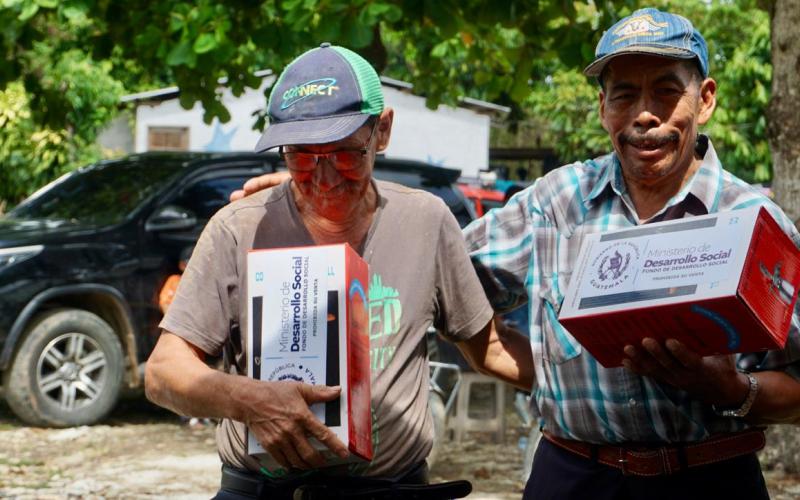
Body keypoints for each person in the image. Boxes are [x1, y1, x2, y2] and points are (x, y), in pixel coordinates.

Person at [145, 43, 531, 499]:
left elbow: (490, 348)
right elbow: (163, 372)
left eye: (346, 153)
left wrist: (593, 389)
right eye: (301, 156)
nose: (324, 178)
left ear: (382, 131)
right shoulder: (240, 228)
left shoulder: (426, 221)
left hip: (390, 490)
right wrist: (247, 400)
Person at [463, 8, 800, 500]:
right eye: (624, 94)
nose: (645, 114)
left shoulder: (753, 220)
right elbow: (455, 284)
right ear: (604, 108)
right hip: (571, 478)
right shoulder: (556, 201)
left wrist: (731, 390)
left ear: (705, 100)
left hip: (710, 480)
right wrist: (509, 361)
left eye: (666, 91)